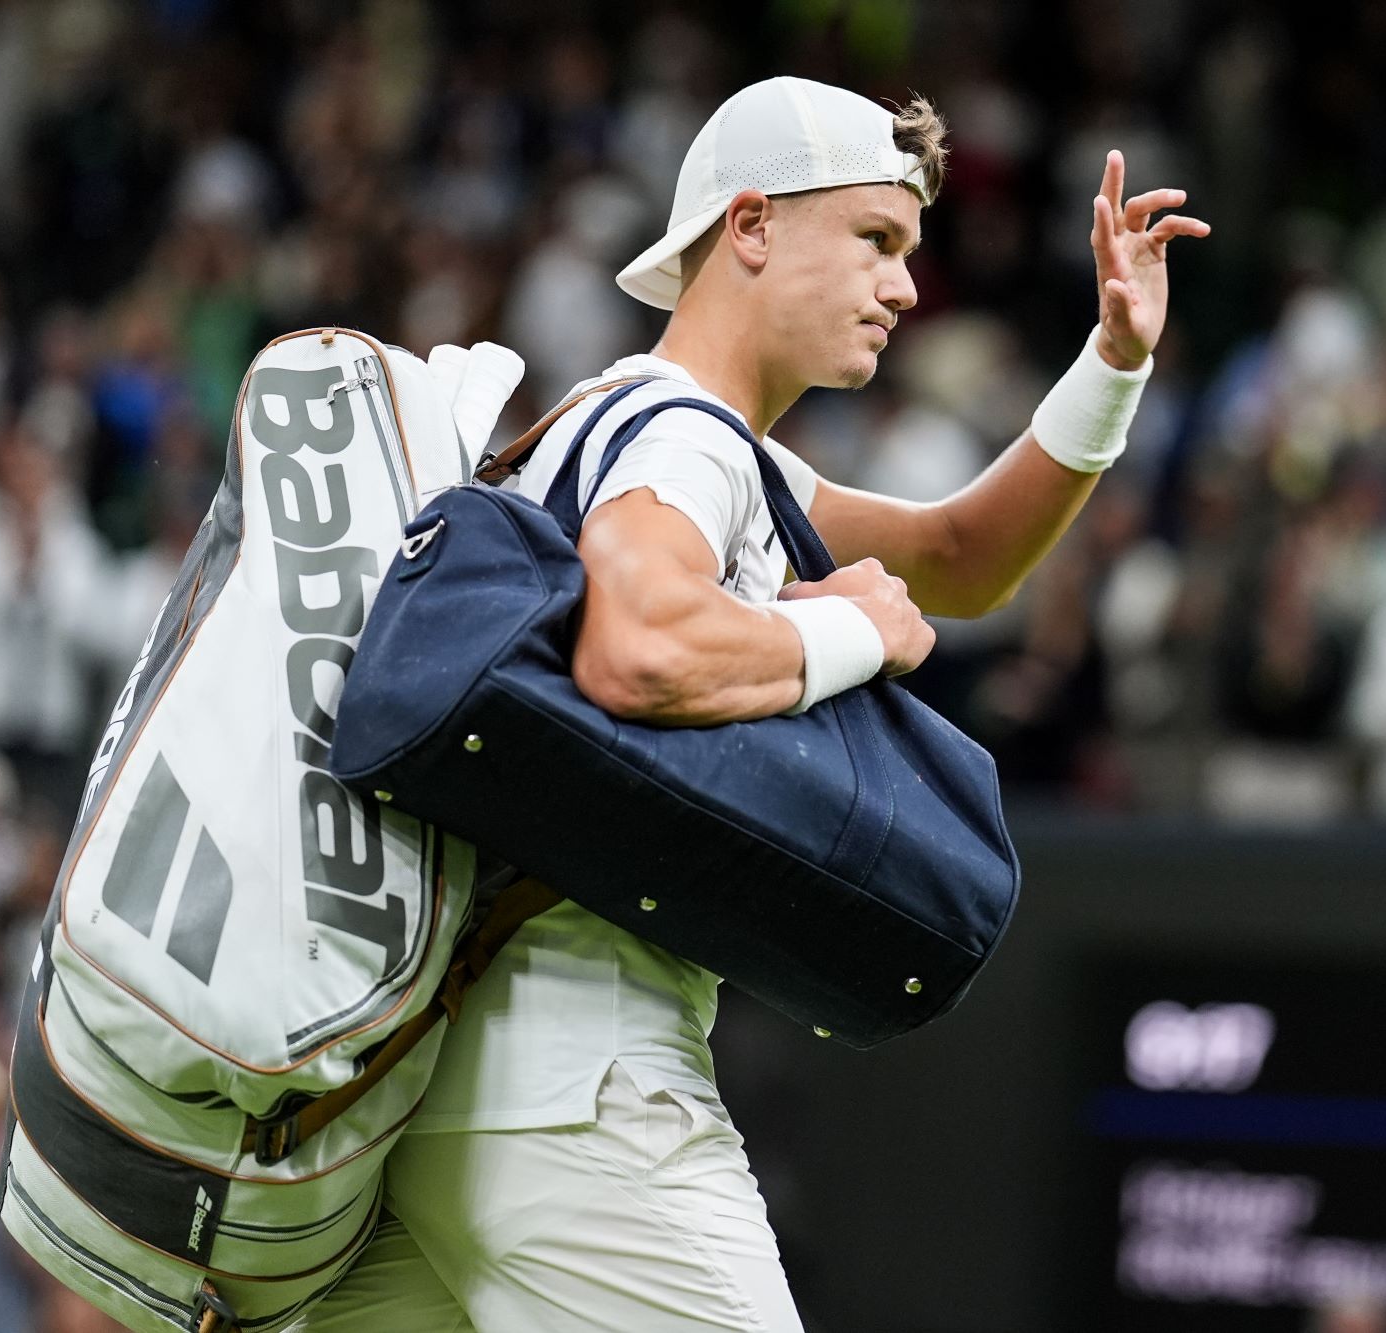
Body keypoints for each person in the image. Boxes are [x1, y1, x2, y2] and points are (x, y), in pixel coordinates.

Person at [335, 75, 1207, 1331]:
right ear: (749, 226)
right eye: (875, 240)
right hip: (580, 1098)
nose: (904, 288)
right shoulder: (683, 435)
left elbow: (961, 556)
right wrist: (851, 626)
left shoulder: (639, 426)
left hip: (437, 1113)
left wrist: (1111, 364)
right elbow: (638, 647)